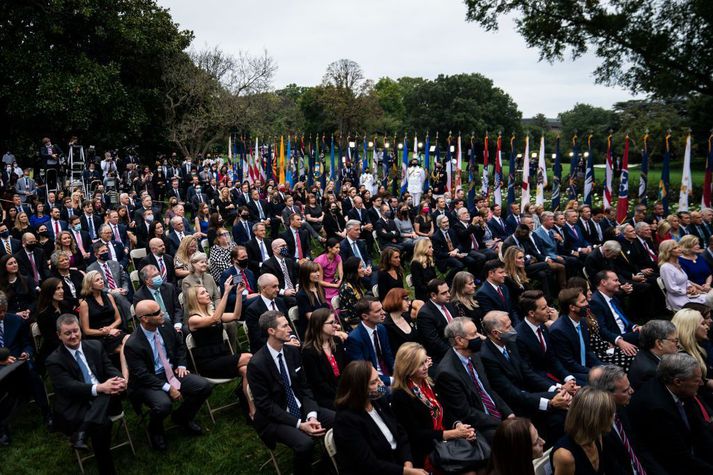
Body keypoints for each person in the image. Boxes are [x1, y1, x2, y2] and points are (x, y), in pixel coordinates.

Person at [247, 310, 335, 475]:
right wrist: (299, 424)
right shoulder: (256, 364)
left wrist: (312, 416)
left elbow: (305, 387)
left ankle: (327, 466)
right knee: (305, 444)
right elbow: (265, 405)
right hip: (275, 418)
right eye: (285, 326)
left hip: (301, 407)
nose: (290, 329)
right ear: (271, 331)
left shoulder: (293, 352)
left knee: (340, 420)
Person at [124, 299, 213, 450]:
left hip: (172, 371)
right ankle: (155, 431)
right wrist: (168, 388)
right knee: (163, 405)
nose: (162, 314)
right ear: (144, 319)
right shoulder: (133, 344)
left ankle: (182, 417)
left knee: (204, 387)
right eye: (157, 312)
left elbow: (180, 346)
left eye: (161, 310)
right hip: (149, 382)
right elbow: (142, 375)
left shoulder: (165, 326)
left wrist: (182, 364)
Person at [45, 314, 126, 474]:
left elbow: (108, 367)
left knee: (108, 393)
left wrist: (118, 378)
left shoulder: (95, 346)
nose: (73, 336)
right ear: (59, 335)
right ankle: (107, 469)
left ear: (80, 330)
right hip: (77, 402)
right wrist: (100, 388)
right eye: (67, 333)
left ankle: (82, 432)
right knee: (102, 425)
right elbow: (69, 387)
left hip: (106, 396)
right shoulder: (54, 360)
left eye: (75, 331)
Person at [480, 311, 570, 443]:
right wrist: (550, 402)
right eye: (508, 327)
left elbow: (527, 373)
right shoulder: (487, 356)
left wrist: (556, 389)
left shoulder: (510, 343)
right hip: (515, 406)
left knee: (566, 405)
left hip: (528, 395)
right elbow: (511, 393)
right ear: (495, 333)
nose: (512, 329)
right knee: (558, 418)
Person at [391, 342, 478, 472]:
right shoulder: (401, 395)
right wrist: (452, 434)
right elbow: (415, 434)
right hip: (428, 450)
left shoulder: (427, 383)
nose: (426, 367)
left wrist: (458, 426)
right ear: (407, 367)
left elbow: (445, 411)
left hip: (446, 441)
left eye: (426, 361)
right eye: (420, 364)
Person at [333, 360, 426, 475]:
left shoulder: (378, 399)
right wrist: (405, 471)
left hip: (400, 465)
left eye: (379, 378)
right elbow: (368, 464)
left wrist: (408, 462)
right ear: (359, 390)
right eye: (374, 382)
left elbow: (400, 433)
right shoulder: (346, 420)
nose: (381, 384)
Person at [628, 353, 713, 474]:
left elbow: (700, 431)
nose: (701, 384)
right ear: (678, 381)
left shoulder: (683, 390)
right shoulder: (656, 409)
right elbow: (677, 457)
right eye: (697, 381)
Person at [434, 317, 512, 444]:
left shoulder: (474, 355)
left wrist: (509, 414)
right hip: (478, 426)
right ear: (459, 340)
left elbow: (487, 390)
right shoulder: (447, 373)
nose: (480, 337)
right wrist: (501, 423)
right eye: (474, 334)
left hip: (493, 414)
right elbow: (466, 413)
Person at [185, 278, 255, 419]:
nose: (207, 294)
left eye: (206, 291)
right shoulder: (193, 319)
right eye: (203, 293)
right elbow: (214, 319)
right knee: (249, 357)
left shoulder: (212, 314)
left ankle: (252, 409)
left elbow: (236, 316)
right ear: (195, 299)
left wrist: (239, 294)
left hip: (223, 358)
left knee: (246, 370)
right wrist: (226, 293)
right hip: (207, 363)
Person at [588, 365, 665, 475]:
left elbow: (640, 449)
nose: (632, 391)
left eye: (629, 386)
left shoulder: (624, 410)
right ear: (607, 395)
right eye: (625, 391)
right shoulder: (597, 428)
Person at [515, 290, 580, 386]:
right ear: (532, 313)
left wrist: (568, 377)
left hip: (555, 376)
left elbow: (552, 358)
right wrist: (557, 387)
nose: (549, 310)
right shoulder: (519, 336)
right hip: (541, 384)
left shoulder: (542, 327)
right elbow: (529, 372)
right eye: (544, 308)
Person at [551, 387, 616, 475]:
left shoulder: (597, 436)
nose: (613, 418)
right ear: (595, 419)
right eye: (608, 414)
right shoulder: (565, 456)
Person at [549, 287, 603, 379]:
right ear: (572, 307)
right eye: (582, 302)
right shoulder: (558, 330)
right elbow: (569, 363)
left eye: (586, 300)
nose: (587, 304)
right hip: (571, 374)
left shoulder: (582, 321)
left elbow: (588, 352)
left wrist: (602, 368)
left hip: (585, 369)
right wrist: (594, 372)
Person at [77, 271, 127, 362]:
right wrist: (105, 332)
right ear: (90, 285)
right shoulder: (85, 304)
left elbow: (118, 319)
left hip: (114, 332)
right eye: (97, 280)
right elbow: (86, 330)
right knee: (127, 350)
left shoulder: (109, 296)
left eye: (101, 279)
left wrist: (110, 329)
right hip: (98, 337)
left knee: (131, 341)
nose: (101, 281)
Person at [301, 308, 345, 410]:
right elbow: (319, 384)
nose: (336, 325)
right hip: (328, 397)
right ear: (319, 325)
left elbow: (347, 368)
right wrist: (342, 394)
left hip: (344, 390)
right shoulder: (309, 351)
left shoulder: (337, 341)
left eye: (335, 322)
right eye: (331, 323)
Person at [345, 297, 395, 386]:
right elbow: (363, 373)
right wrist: (392, 381)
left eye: (382, 309)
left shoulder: (381, 328)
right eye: (378, 311)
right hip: (373, 383)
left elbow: (388, 356)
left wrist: (399, 374)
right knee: (390, 394)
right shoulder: (354, 339)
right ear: (365, 316)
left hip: (389, 375)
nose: (383, 312)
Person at [588, 270, 640, 353]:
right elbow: (601, 329)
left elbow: (623, 318)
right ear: (604, 282)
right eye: (615, 280)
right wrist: (618, 340)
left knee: (649, 330)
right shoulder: (595, 302)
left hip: (627, 333)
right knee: (651, 334)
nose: (619, 283)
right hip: (616, 338)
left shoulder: (613, 296)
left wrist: (634, 326)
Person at [659, 239, 713, 310]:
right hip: (679, 299)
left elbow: (685, 280)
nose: (679, 249)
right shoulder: (666, 267)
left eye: (678, 247)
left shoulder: (677, 264)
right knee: (710, 299)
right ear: (668, 252)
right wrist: (687, 291)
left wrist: (691, 287)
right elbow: (671, 288)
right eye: (675, 248)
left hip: (688, 295)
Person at [416, 278, 461, 364]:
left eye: (448, 291)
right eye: (444, 293)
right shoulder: (425, 314)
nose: (448, 295)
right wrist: (455, 353)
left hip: (458, 346)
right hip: (442, 357)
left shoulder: (448, 304)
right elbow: (435, 342)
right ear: (433, 295)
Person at [34, 277, 74, 369]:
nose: (62, 291)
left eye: (62, 288)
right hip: (55, 349)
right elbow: (51, 340)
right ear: (49, 291)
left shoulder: (66, 305)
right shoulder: (43, 314)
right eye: (58, 289)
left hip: (71, 342)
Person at [244, 273, 290, 351]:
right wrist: (283, 344)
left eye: (278, 286)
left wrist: (292, 338)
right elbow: (257, 338)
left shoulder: (281, 302)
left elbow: (288, 325)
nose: (278, 289)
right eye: (274, 286)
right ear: (263, 288)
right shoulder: (253, 310)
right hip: (267, 349)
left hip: (287, 343)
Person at [628, 319, 678, 390]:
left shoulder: (645, 354)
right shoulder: (651, 372)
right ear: (659, 343)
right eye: (675, 341)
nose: (678, 344)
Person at [133, 265, 183, 333]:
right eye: (154, 276)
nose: (158, 277)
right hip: (156, 327)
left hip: (174, 323)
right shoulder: (140, 296)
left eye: (158, 274)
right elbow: (144, 319)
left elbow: (177, 309)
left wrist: (177, 324)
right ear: (147, 280)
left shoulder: (169, 287)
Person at [475, 259, 520, 324]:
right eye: (501, 272)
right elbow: (492, 318)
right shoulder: (482, 293)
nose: (505, 275)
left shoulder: (504, 287)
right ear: (491, 274)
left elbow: (512, 308)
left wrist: (517, 325)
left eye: (504, 272)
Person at [295, 261, 329, 338]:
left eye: (318, 271)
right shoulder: (301, 295)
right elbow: (312, 318)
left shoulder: (321, 290)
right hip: (311, 332)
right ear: (306, 274)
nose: (318, 274)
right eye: (314, 272)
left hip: (324, 326)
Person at [382, 288, 419, 353]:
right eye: (406, 299)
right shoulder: (387, 326)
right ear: (396, 300)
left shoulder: (406, 316)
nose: (410, 303)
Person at [338, 257, 368, 328]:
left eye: (362, 267)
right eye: (360, 268)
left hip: (362, 317)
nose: (363, 269)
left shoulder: (355, 283)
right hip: (354, 323)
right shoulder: (346, 288)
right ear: (353, 270)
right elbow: (354, 313)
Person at [314, 238, 342, 303]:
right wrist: (335, 285)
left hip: (333, 281)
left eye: (339, 247)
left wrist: (340, 280)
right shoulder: (320, 261)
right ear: (329, 248)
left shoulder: (338, 257)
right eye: (336, 247)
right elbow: (320, 281)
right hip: (323, 284)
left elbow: (340, 272)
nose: (339, 250)